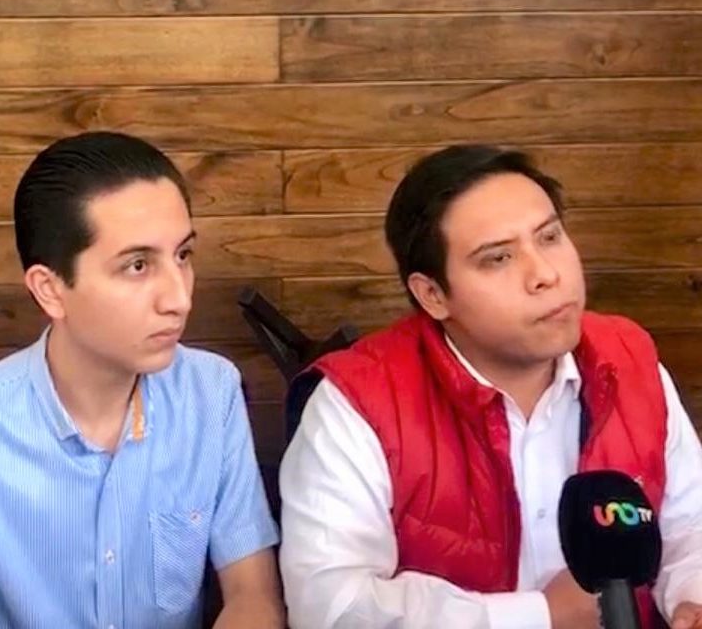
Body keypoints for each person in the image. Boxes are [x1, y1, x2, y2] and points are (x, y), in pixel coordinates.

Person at [279, 144, 702, 629]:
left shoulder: (628, 361)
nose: (546, 274)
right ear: (433, 295)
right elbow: (329, 606)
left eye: (549, 237)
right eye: (499, 258)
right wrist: (540, 615)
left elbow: (690, 526)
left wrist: (692, 597)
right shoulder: (356, 401)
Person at [0, 131, 284, 629]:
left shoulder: (211, 392)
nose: (179, 299)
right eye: (138, 265)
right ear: (50, 290)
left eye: (183, 256)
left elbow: (253, 595)